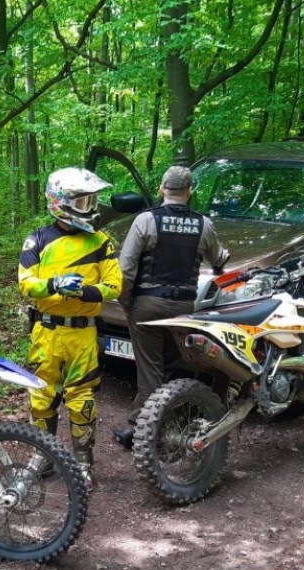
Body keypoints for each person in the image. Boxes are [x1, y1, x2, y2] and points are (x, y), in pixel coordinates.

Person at [112, 166, 229, 448]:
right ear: (189, 192)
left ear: (162, 189)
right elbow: (220, 260)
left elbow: (125, 270)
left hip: (147, 305)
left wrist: (126, 302)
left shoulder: (145, 221)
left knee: (150, 371)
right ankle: (171, 422)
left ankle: (145, 433)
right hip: (184, 309)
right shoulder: (204, 224)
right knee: (176, 366)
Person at [18, 167, 122, 483]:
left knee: (82, 399)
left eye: (91, 200)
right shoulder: (37, 239)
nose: (89, 207)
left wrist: (84, 290)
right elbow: (26, 284)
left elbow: (114, 286)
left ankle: (82, 462)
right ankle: (42, 456)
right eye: (81, 201)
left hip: (82, 332)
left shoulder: (101, 241)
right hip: (46, 331)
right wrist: (54, 285)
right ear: (60, 202)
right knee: (41, 395)